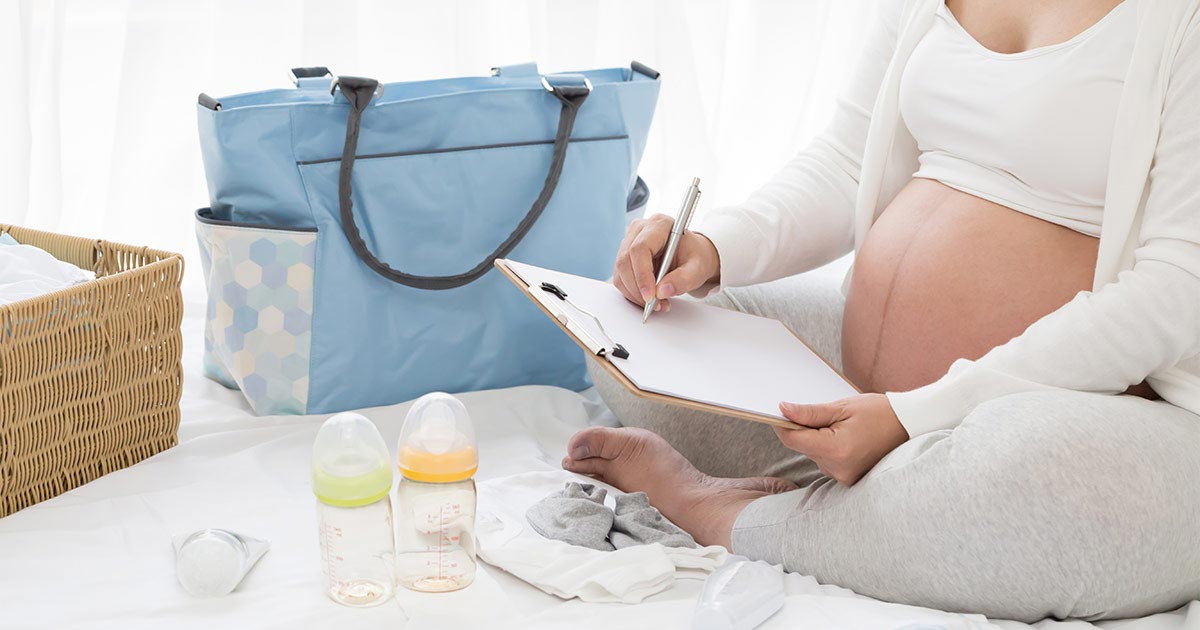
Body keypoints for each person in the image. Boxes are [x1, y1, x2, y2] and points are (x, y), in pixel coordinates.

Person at [564, 0, 1200, 622]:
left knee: (1029, 477)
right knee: (637, 335)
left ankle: (720, 511)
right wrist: (712, 248)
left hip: (1103, 413)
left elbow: (1177, 288)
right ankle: (882, 506)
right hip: (874, 388)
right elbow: (846, 162)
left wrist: (915, 413)